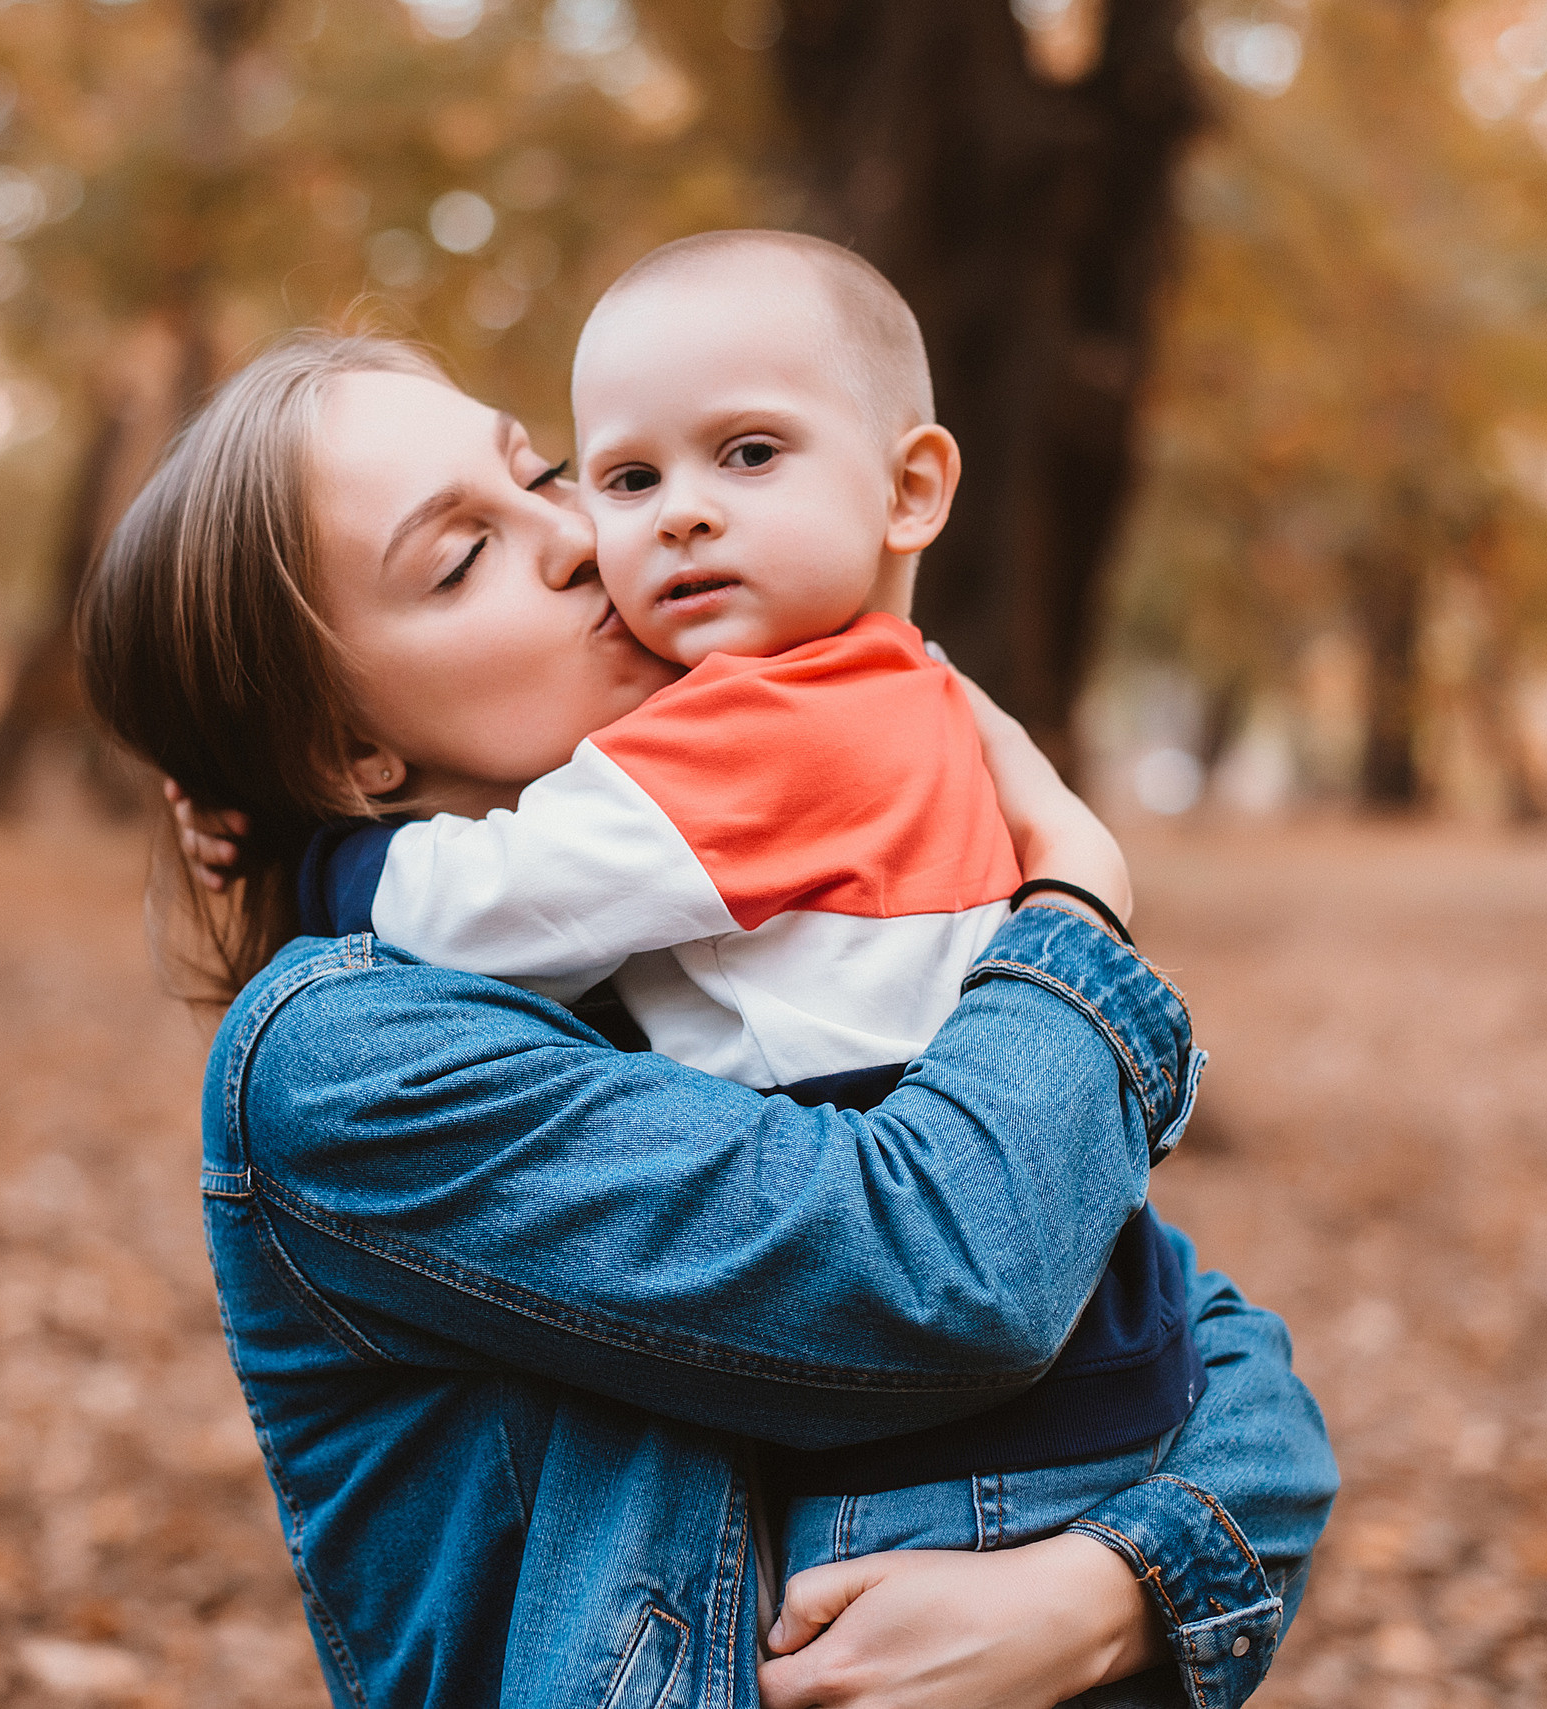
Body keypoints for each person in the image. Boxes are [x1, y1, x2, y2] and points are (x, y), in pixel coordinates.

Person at [80, 330, 1337, 1708]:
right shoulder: (349, 1059)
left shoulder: (740, 946)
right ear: (349, 754)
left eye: (547, 472)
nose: (578, 535)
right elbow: (952, 1270)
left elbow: (1214, 1348)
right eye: (459, 558)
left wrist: (1101, 1596)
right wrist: (1076, 909)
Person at [288, 232, 1210, 1598]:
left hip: (930, 1459)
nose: (678, 515)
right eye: (626, 475)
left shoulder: (758, 731)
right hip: (1091, 1376)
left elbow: (477, 905)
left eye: (750, 454)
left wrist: (319, 860)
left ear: (911, 489)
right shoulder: (907, 693)